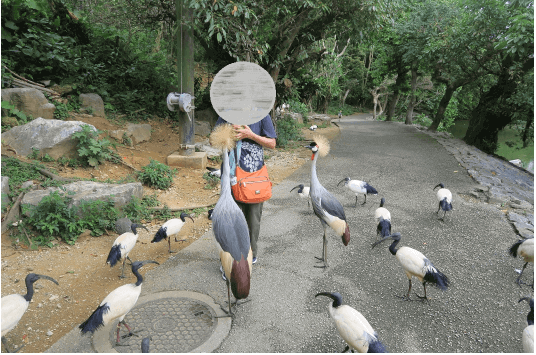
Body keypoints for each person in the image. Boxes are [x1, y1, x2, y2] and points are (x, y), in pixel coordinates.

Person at [213, 115, 277, 279]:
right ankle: (229, 262)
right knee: (230, 221)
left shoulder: (262, 115)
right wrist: (225, 135)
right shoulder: (225, 113)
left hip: (255, 178)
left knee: (253, 221)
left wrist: (250, 135)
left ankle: (249, 257)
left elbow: (272, 144)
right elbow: (212, 140)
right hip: (231, 177)